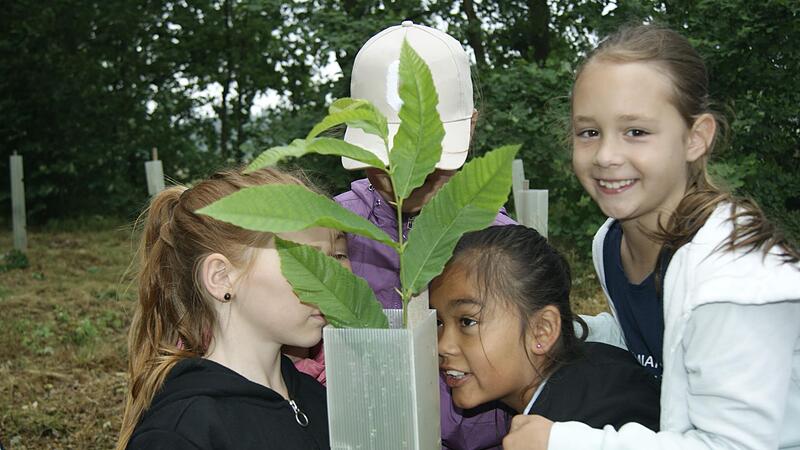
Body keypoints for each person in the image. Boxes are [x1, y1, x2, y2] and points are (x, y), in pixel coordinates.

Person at [503, 24, 800, 450]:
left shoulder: (734, 281)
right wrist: (545, 330)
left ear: (695, 139)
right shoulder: (611, 244)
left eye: (636, 132)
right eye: (589, 132)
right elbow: (655, 341)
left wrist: (562, 442)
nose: (606, 155)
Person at [333, 21, 515, 449]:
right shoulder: (331, 233)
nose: (405, 175)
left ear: (471, 127)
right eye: (387, 156)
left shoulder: (499, 246)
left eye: (430, 155)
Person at [116, 168, 333, 450]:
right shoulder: (181, 433)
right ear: (221, 277)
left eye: (331, 261)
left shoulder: (317, 397)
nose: (332, 283)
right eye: (309, 261)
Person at [431, 225, 660, 435]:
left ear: (542, 330)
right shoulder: (596, 365)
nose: (441, 345)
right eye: (438, 322)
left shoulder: (578, 430)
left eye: (467, 322)